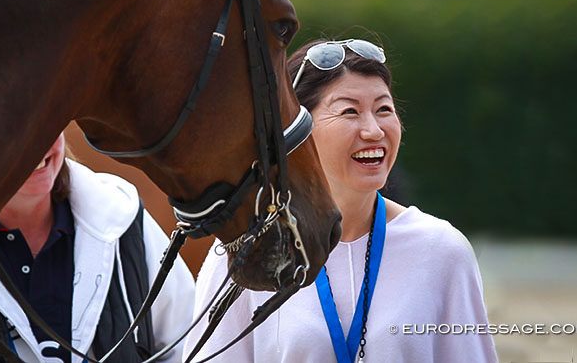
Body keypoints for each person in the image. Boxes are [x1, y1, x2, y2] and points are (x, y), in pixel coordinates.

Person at [183, 38, 498, 363]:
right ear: (297, 128)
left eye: (384, 109)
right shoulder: (250, 253)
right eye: (350, 111)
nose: (374, 130)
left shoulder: (441, 250)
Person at [0, 132, 194, 363]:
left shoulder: (123, 220)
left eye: (48, 126)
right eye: (16, 132)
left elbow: (188, 345)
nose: (37, 145)